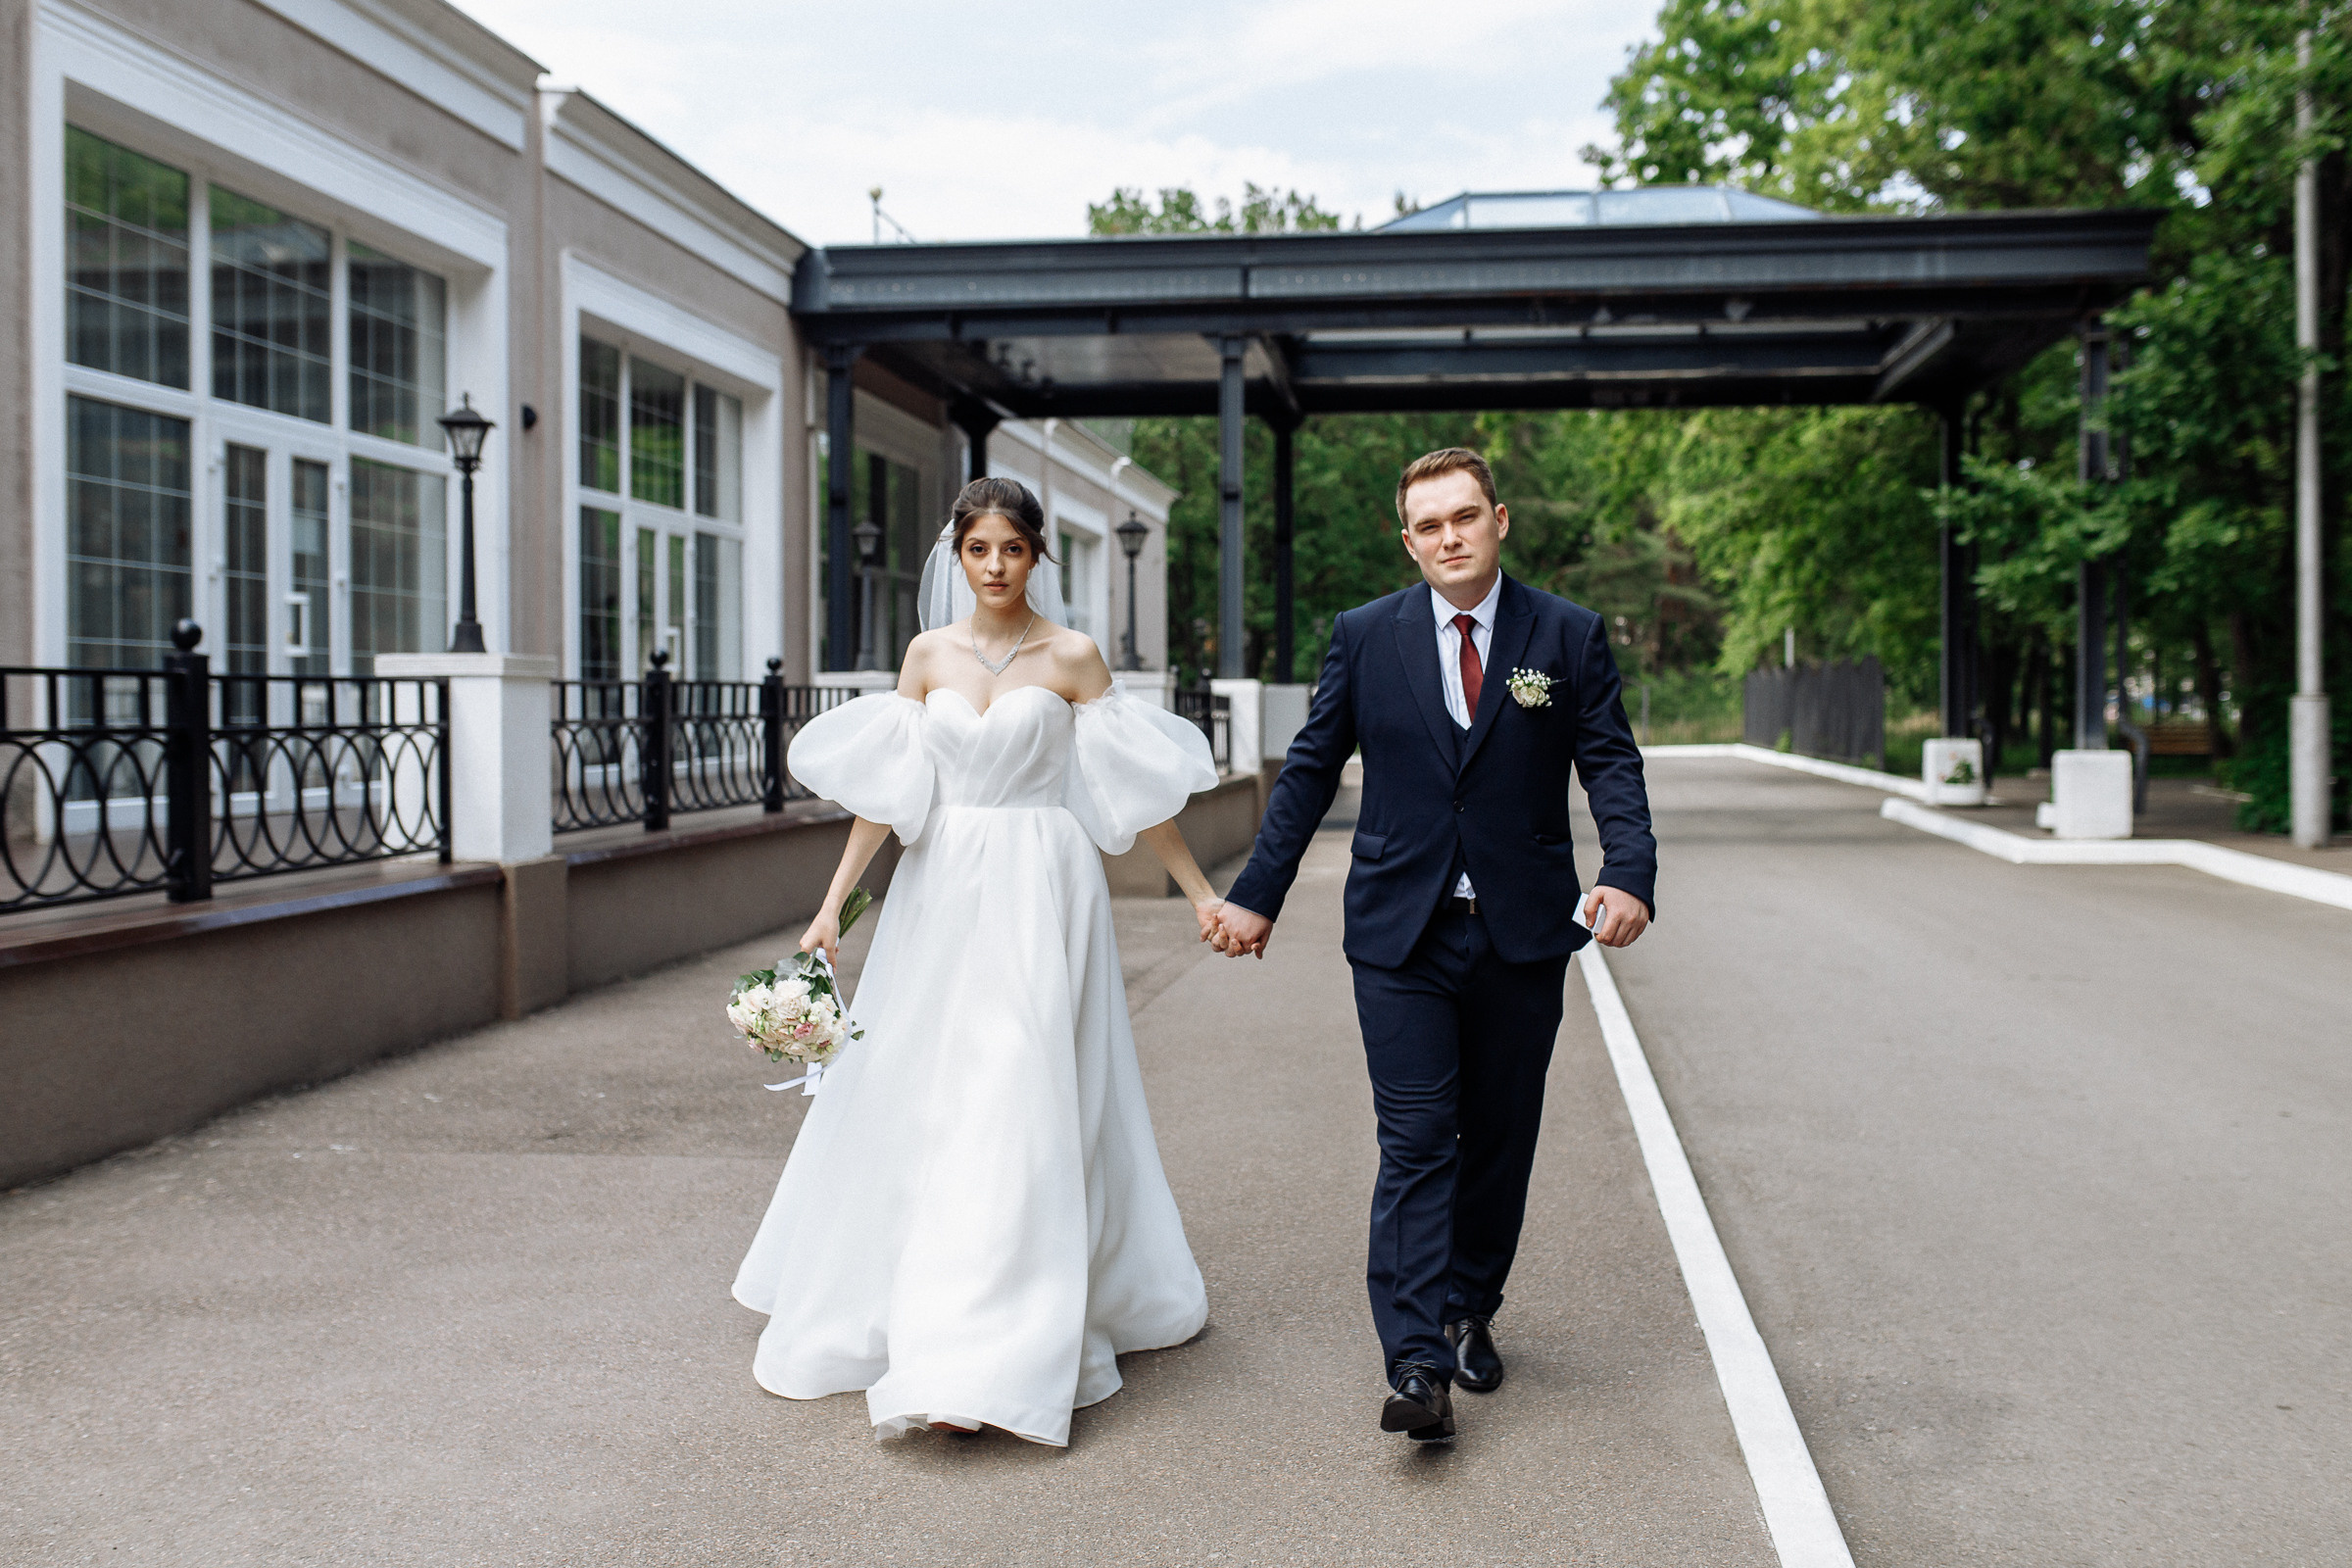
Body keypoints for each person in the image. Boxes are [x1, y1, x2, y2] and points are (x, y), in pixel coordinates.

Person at [733, 476, 1228, 1447]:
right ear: (956, 556)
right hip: (942, 890)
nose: (995, 566)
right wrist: (833, 906)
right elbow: (889, 793)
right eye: (977, 550)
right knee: (931, 1093)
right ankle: (932, 1313)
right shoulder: (927, 655)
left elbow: (1134, 796)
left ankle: (994, 1347)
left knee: (1023, 1093)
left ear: (1038, 554)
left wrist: (1202, 891)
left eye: (1011, 548)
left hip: (1045, 889)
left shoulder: (1074, 658)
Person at [1206, 447, 1657, 1445]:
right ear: (1406, 539)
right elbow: (1311, 770)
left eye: (1464, 516)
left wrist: (1628, 871)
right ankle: (1415, 1360)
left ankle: (1467, 1313)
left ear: (1499, 519)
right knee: (1414, 1142)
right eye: (1428, 524)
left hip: (1521, 933)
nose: (1448, 536)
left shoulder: (1566, 636)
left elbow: (1611, 765)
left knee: (1497, 1141)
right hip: (1398, 938)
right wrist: (1258, 895)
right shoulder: (1366, 637)